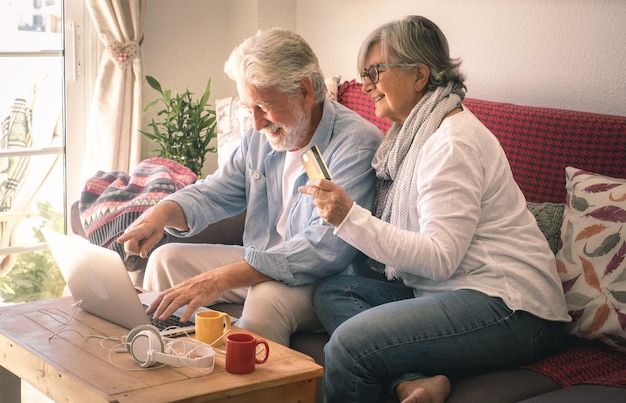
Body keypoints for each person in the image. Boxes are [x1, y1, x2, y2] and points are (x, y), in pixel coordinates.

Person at [298, 16, 570, 403]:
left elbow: (440, 258)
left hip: (515, 309)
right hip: (452, 291)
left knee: (349, 345)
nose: (364, 84)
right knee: (335, 291)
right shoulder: (411, 140)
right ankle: (414, 380)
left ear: (419, 75)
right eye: (363, 74)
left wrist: (348, 217)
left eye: (375, 71)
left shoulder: (451, 144)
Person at [118, 28, 383, 346]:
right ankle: (176, 369)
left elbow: (324, 249)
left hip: (325, 280)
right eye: (249, 109)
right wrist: (161, 214)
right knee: (166, 260)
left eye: (264, 106)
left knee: (266, 297)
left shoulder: (355, 143)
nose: (256, 123)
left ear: (304, 91)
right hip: (263, 258)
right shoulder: (263, 137)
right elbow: (217, 190)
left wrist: (219, 279)